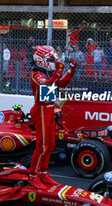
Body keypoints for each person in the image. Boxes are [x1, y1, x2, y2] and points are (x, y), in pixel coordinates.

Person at [29, 46, 77, 189]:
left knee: (50, 145)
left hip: (50, 110)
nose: (54, 62)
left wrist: (71, 69)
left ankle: (43, 173)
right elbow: (46, 85)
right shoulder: (36, 74)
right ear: (40, 59)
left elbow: (61, 83)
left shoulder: (48, 74)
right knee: (42, 146)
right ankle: (32, 176)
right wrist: (58, 70)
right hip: (41, 110)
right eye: (51, 59)